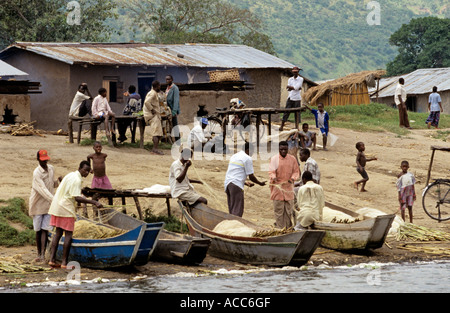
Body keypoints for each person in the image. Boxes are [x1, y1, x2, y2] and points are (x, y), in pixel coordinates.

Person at [48, 161, 103, 268]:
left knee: (58, 233)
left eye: (88, 171)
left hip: (57, 206)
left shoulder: (70, 175)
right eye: (85, 170)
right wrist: (94, 202)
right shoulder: (77, 180)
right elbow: (76, 197)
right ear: (80, 168)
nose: (86, 173)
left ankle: (52, 260)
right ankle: (64, 263)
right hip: (65, 208)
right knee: (68, 235)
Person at [29, 150, 61, 262]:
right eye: (42, 160)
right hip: (38, 203)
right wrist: (55, 200)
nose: (45, 162)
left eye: (46, 160)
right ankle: (39, 253)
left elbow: (51, 184)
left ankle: (44, 254)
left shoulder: (51, 168)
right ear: (38, 159)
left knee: (45, 229)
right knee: (38, 230)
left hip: (48, 203)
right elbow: (42, 189)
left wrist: (58, 182)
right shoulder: (37, 173)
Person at [224, 142, 266, 217]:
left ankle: (231, 225)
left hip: (228, 184)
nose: (252, 153)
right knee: (237, 210)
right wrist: (260, 183)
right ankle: (235, 226)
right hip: (236, 185)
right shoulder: (247, 158)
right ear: (248, 150)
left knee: (232, 209)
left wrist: (245, 183)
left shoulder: (234, 156)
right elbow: (251, 176)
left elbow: (234, 173)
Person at [269, 141, 300, 229]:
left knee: (288, 212)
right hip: (277, 190)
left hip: (289, 190)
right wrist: (273, 177)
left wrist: (293, 178)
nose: (283, 151)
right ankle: (280, 230)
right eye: (281, 149)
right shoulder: (274, 159)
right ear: (278, 149)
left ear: (288, 149)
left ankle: (288, 229)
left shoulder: (292, 159)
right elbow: (271, 172)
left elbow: (296, 172)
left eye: (285, 149)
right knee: (279, 212)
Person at [280, 66, 304, 131]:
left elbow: (296, 87)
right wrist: (293, 88)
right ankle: (282, 126)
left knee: (297, 113)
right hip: (290, 97)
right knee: (286, 111)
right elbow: (288, 89)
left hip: (297, 98)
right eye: (294, 72)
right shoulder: (290, 79)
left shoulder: (301, 79)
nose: (295, 73)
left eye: (296, 72)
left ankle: (297, 127)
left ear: (298, 72)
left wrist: (292, 87)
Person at [144, 80, 164, 155]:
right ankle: (155, 149)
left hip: (154, 115)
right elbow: (146, 102)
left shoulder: (154, 93)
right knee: (156, 133)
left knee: (158, 132)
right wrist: (152, 110)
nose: (160, 87)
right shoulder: (152, 93)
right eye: (159, 86)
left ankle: (155, 148)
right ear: (157, 86)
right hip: (152, 115)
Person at [165, 75, 180, 140]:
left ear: (172, 79)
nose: (167, 81)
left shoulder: (175, 88)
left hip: (172, 110)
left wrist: (174, 111)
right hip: (167, 109)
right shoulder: (168, 88)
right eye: (166, 79)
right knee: (169, 125)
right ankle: (168, 140)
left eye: (169, 79)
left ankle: (178, 140)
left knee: (175, 125)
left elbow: (176, 100)